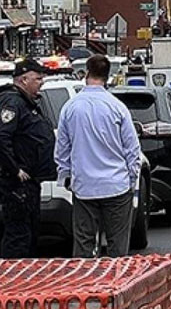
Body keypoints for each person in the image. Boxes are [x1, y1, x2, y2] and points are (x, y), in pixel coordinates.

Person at [55, 55, 142, 258]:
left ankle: (86, 286)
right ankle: (116, 285)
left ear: (86, 73)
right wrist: (131, 178)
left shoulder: (70, 107)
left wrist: (66, 175)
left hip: (84, 186)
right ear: (108, 76)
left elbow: (62, 148)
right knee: (117, 246)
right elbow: (132, 148)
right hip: (116, 185)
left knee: (84, 244)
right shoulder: (117, 107)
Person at [0, 59, 57, 258]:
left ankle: (24, 277)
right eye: (38, 79)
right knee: (19, 235)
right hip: (17, 183)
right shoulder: (12, 102)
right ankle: (14, 279)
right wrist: (15, 169)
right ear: (23, 79)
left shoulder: (26, 103)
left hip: (30, 181)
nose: (41, 83)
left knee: (29, 233)